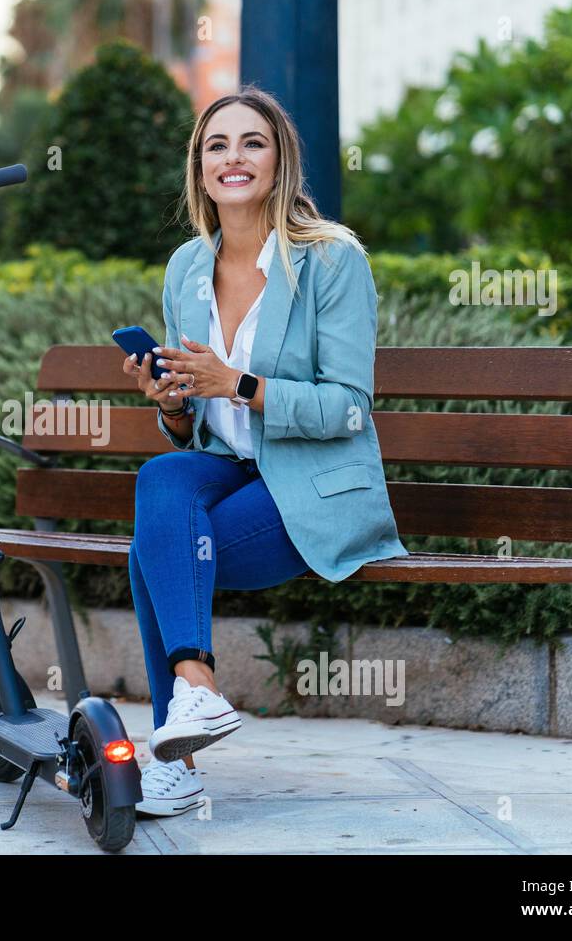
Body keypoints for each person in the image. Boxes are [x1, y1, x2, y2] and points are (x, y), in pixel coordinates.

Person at [122, 85, 408, 817]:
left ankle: (178, 753)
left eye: (252, 142)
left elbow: (349, 408)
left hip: (309, 488)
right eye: (217, 145)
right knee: (162, 476)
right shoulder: (187, 268)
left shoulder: (330, 260)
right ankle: (200, 689)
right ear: (201, 168)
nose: (234, 157)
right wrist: (178, 406)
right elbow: (198, 425)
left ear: (279, 160)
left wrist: (240, 383)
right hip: (227, 471)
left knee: (153, 555)